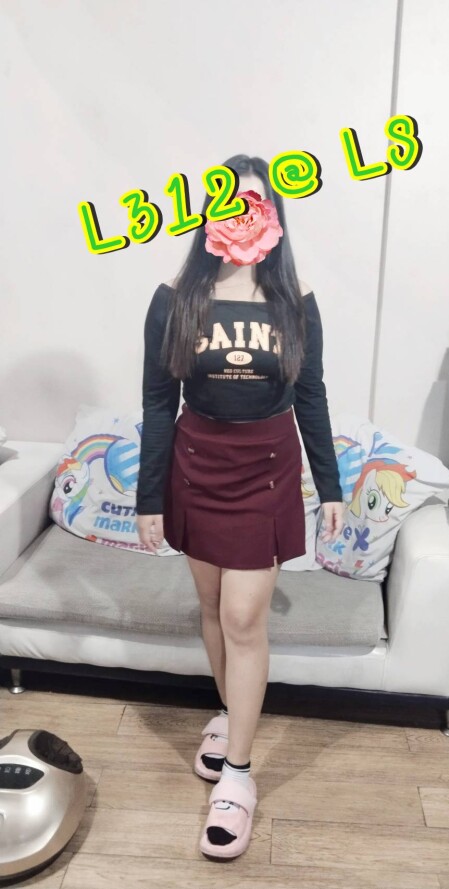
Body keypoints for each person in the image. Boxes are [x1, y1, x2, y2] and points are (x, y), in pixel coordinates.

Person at [135, 153, 344, 860]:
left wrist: (331, 486)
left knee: (243, 617)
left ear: (274, 215)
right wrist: (149, 496)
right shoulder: (175, 297)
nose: (242, 213)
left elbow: (311, 396)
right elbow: (158, 403)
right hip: (196, 467)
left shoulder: (295, 300)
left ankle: (239, 776)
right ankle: (229, 715)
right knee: (211, 607)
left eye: (256, 203)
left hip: (266, 471)